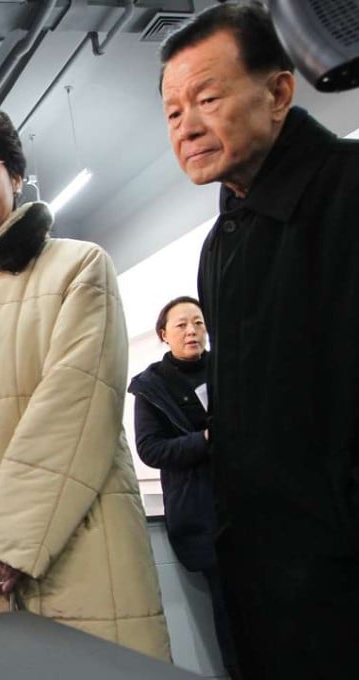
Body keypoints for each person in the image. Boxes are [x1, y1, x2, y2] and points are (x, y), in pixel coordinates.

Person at [0, 98, 169, 660]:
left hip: (76, 556)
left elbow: (75, 407)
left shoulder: (79, 268)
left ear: (15, 176)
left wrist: (13, 543)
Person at [159, 3, 359, 677]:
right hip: (261, 583)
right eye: (173, 112)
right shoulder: (222, 244)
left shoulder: (348, 191)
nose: (187, 126)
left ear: (278, 93)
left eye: (207, 99)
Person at [128, 297, 237, 677]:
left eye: (199, 323)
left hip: (255, 510)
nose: (192, 331)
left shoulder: (230, 369)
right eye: (182, 325)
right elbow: (150, 449)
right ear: (164, 334)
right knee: (231, 616)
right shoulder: (151, 387)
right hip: (203, 517)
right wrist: (204, 439)